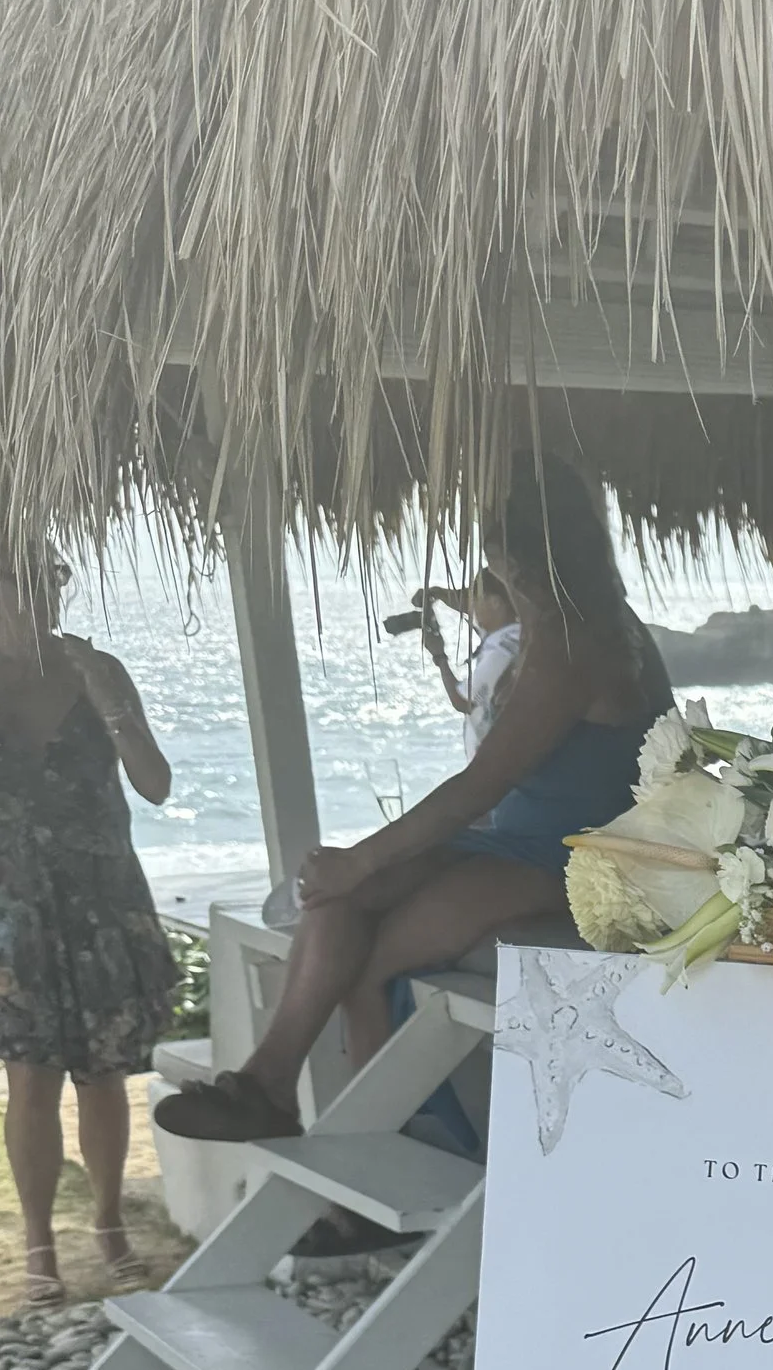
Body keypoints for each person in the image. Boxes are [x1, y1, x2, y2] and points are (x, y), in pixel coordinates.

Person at [155, 459, 671, 1143]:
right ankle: (265, 1085)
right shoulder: (575, 621)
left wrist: (358, 859)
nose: (500, 577)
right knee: (337, 900)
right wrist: (352, 871)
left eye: (501, 560)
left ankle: (388, 1148)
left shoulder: (578, 645)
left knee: (372, 964)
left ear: (525, 557)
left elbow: (479, 785)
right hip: (512, 840)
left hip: (575, 859)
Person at [0, 554, 178, 1303]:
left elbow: (156, 782)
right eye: (27, 586)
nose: (43, 599)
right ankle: (40, 1245)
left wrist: (113, 706)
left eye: (52, 584)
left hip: (103, 900)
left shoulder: (95, 666)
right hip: (13, 907)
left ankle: (109, 1226)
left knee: (105, 1074)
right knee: (30, 1078)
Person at [419, 569, 525, 759]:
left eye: (476, 599)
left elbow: (463, 701)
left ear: (495, 602)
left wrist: (439, 656)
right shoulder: (513, 633)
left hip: (497, 765)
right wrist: (438, 594)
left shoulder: (501, 650)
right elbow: (463, 605)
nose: (472, 607)